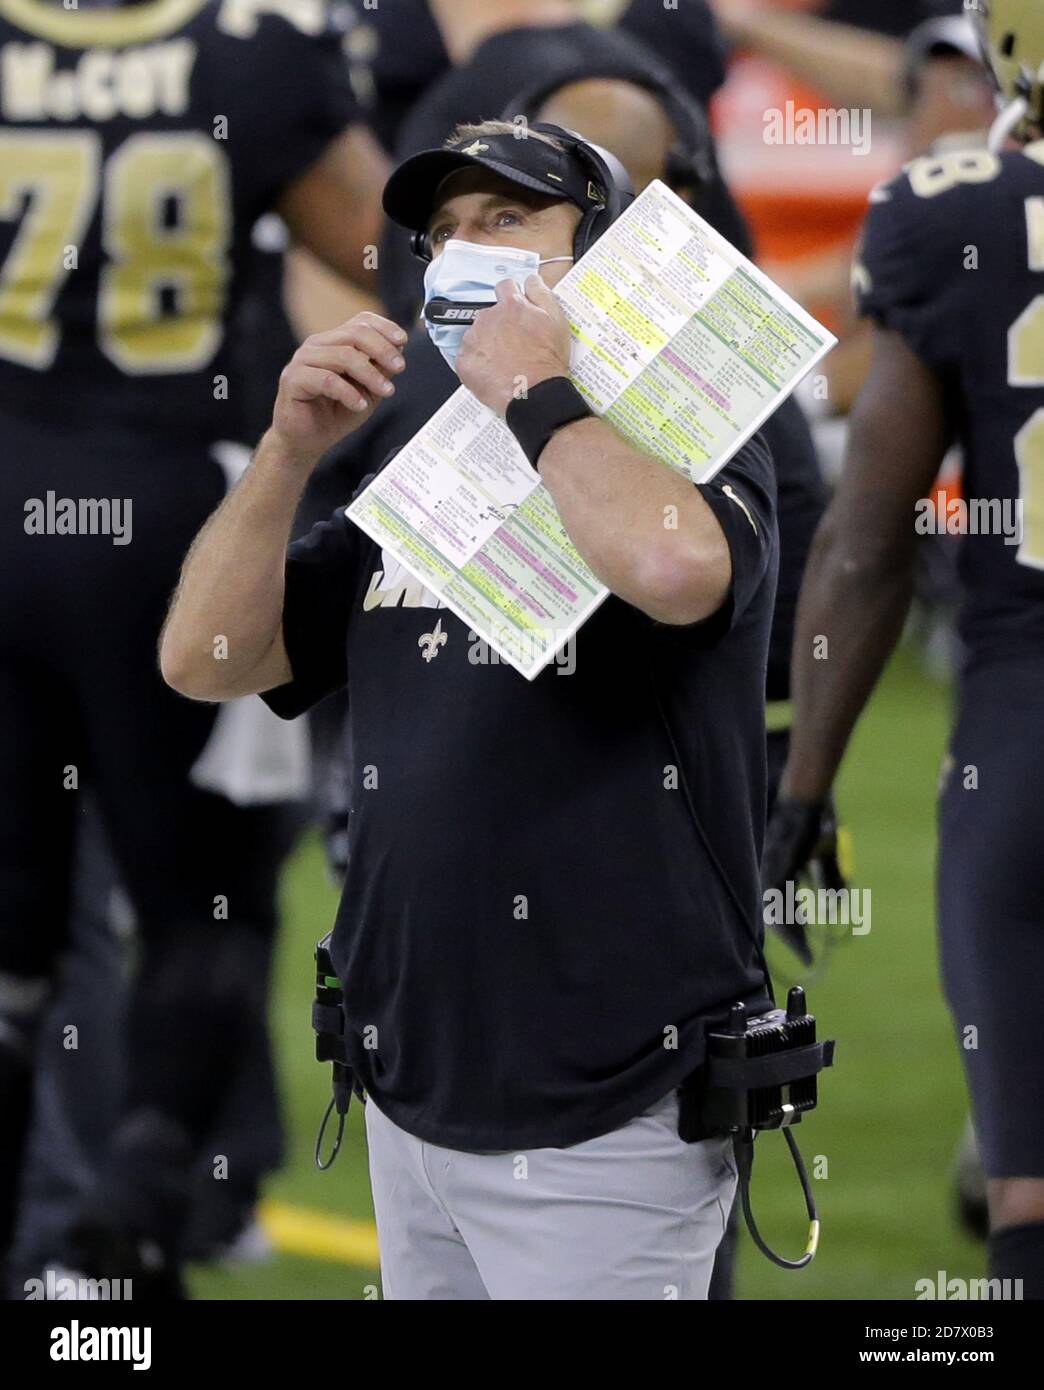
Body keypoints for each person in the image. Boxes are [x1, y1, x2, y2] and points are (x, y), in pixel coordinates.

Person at [161, 121, 780, 1300]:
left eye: (507, 220)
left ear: (602, 252)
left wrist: (539, 392)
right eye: (442, 232)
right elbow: (207, 655)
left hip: (606, 1093)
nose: (461, 254)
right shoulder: (432, 475)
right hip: (412, 1085)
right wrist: (288, 454)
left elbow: (675, 572)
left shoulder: (693, 433)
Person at [0, 0, 387, 1296]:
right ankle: (134, 1227)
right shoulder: (253, 47)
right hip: (167, 521)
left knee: (16, 931)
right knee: (204, 902)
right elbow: (393, 247)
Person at [762, 0, 1044, 1299]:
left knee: (1026, 1190)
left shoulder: (953, 208)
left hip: (1023, 724)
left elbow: (867, 543)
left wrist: (806, 783)